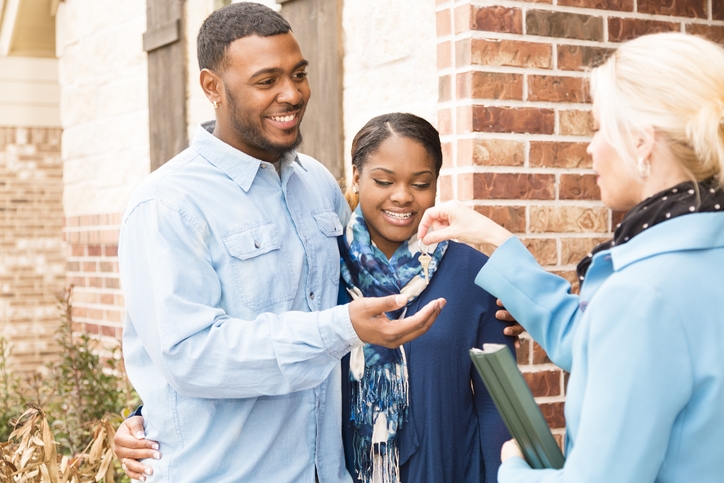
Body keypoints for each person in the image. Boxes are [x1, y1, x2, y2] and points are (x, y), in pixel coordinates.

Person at [117, 4, 445, 482]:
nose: (291, 94)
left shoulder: (316, 183)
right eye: (266, 80)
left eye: (299, 74)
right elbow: (189, 355)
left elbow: (372, 272)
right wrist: (144, 409)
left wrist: (486, 301)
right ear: (213, 87)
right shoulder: (166, 204)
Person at [115, 113, 522, 483]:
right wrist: (144, 417)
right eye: (383, 181)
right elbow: (258, 347)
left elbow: (500, 405)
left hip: (447, 469)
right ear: (355, 177)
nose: (402, 196)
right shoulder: (326, 265)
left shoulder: (474, 273)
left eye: (420, 183)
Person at [418, 32, 724, 482]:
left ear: (641, 142)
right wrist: (494, 238)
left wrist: (514, 469)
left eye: (599, 127)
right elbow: (589, 338)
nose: (590, 147)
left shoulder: (642, 296)